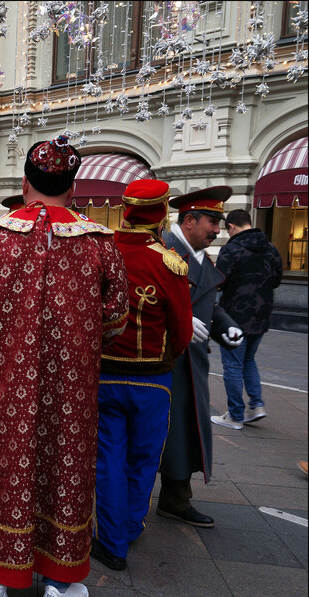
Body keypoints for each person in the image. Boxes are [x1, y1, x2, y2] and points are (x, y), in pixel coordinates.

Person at [0, 135, 128, 597]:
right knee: (66, 475)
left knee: (4, 475)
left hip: (5, 388)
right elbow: (117, 320)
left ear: (26, 183)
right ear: (73, 187)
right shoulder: (100, 244)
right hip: (73, 390)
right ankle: (57, 587)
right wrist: (80, 349)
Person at [92, 179, 194, 572]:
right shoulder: (168, 261)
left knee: (109, 459)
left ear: (126, 208)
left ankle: (114, 541)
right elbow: (182, 331)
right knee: (143, 459)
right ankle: (129, 528)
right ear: (162, 211)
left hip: (103, 376)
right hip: (152, 378)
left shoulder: (102, 251)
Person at [157, 188, 244, 528]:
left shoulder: (194, 254)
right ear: (189, 220)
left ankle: (176, 498)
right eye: (212, 222)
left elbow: (210, 303)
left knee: (185, 433)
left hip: (189, 365)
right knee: (160, 436)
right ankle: (128, 507)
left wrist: (226, 326)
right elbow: (139, 302)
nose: (217, 230)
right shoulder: (163, 250)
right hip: (162, 363)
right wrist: (177, 321)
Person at [210, 210, 283, 429]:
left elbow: (219, 281)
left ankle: (235, 416)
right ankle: (257, 405)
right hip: (261, 314)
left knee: (232, 365)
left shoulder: (231, 249)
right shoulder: (271, 249)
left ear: (231, 226)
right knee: (248, 360)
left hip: (234, 315)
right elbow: (277, 280)